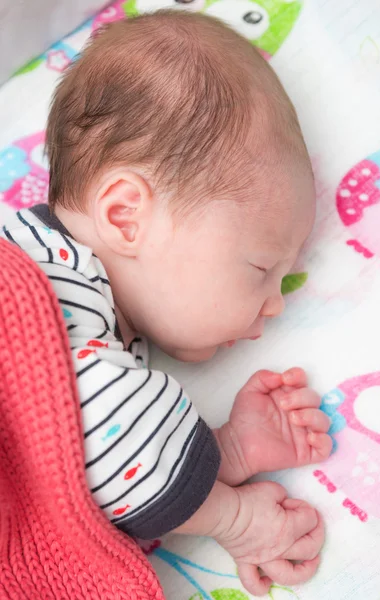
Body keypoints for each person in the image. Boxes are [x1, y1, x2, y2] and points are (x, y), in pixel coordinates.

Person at [0, 11, 332, 597]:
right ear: (127, 216)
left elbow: (77, 468)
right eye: (260, 268)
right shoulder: (41, 283)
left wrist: (223, 453)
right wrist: (237, 518)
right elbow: (110, 443)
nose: (275, 305)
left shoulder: (87, 317)